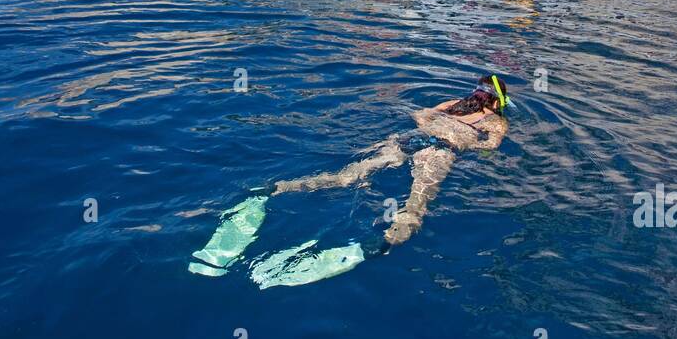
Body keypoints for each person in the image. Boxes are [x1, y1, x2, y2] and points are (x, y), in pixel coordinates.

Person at [189, 75, 511, 286]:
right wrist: (471, 140)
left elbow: (420, 116)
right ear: (495, 101)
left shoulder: (448, 105)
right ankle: (379, 245)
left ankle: (275, 190)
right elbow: (489, 147)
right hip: (440, 152)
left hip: (407, 140)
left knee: (344, 178)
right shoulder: (495, 120)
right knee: (414, 207)